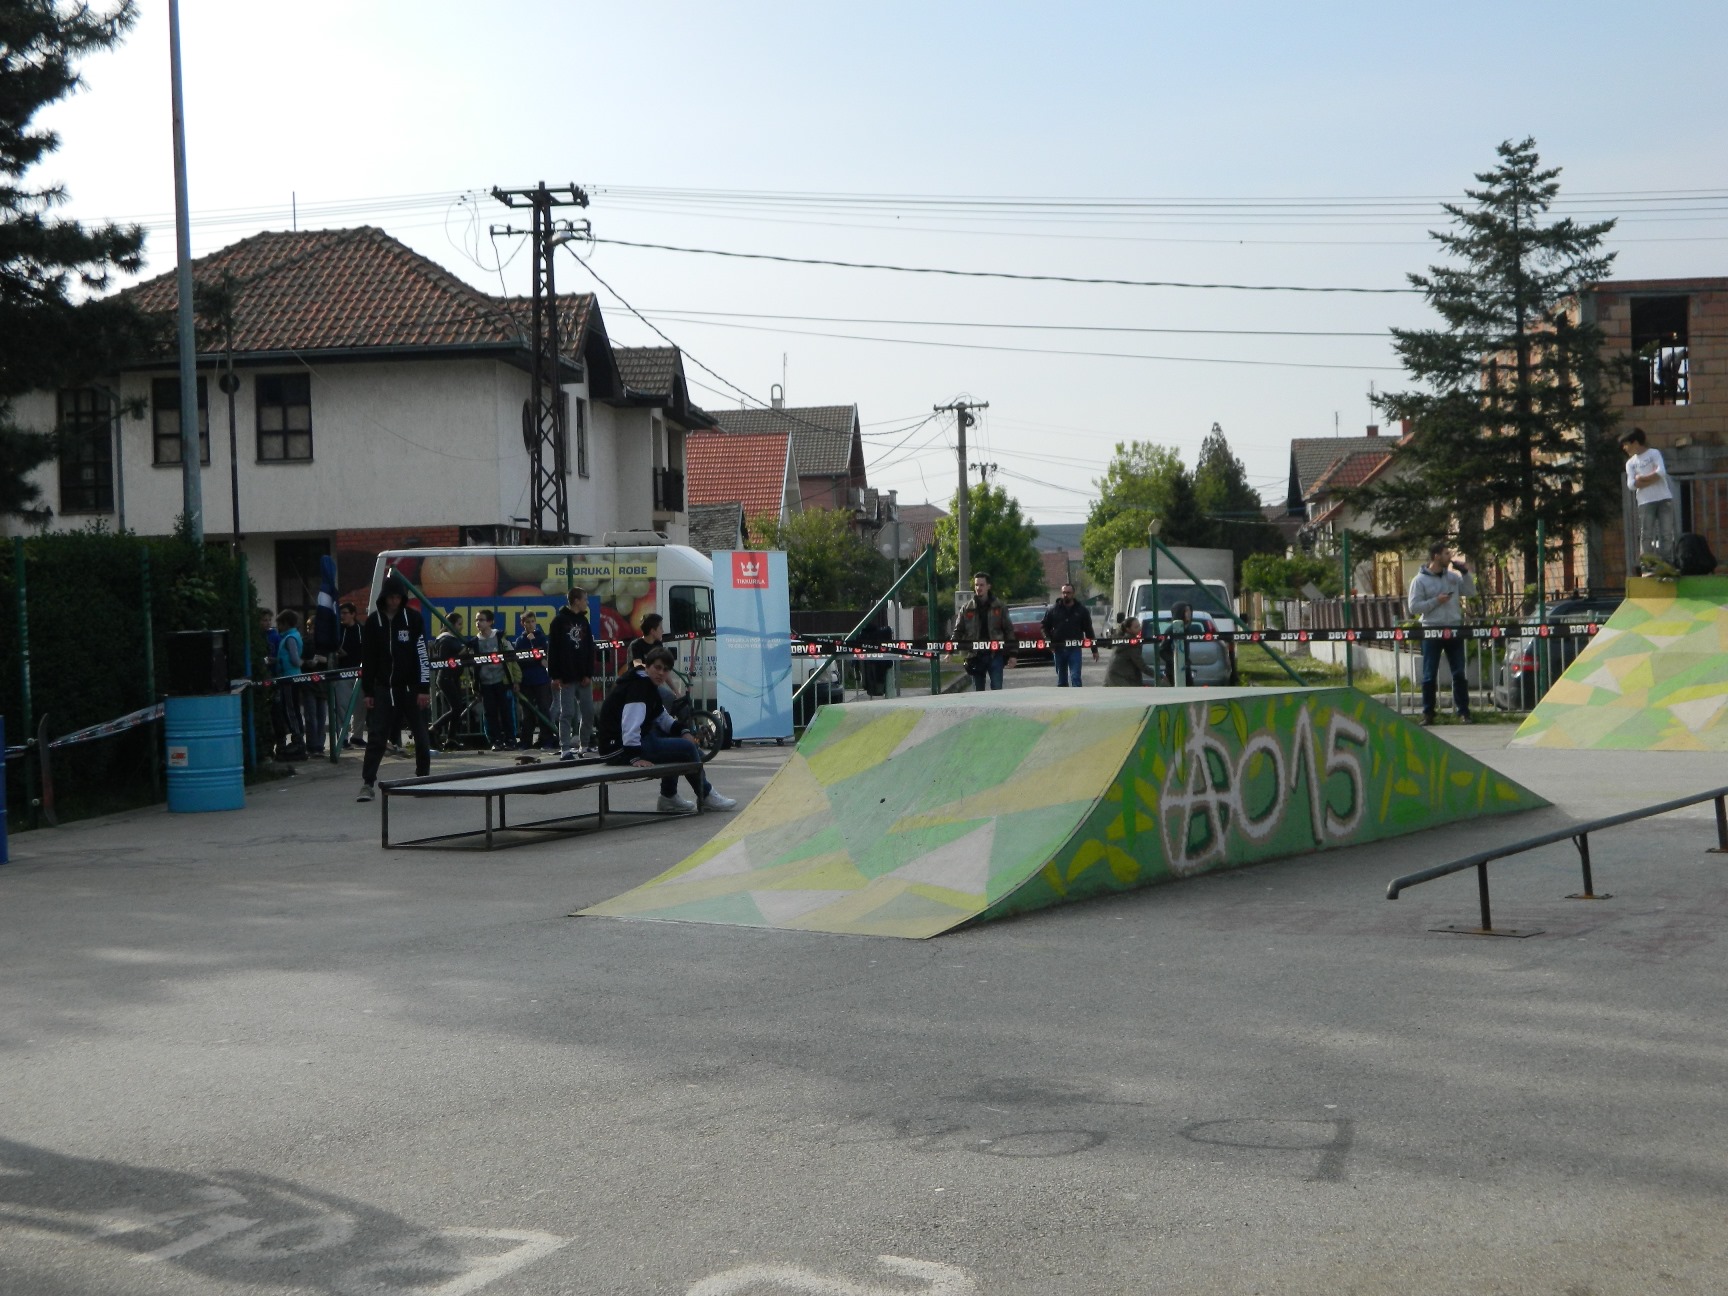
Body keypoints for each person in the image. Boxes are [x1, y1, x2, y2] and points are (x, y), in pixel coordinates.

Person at [597, 647, 735, 813]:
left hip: (629, 743)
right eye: (657, 667)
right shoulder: (638, 687)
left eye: (666, 670)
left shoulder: (647, 685)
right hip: (618, 748)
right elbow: (630, 723)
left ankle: (669, 798)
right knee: (687, 749)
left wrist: (684, 732)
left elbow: (662, 718)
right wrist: (634, 756)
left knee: (681, 743)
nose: (661, 673)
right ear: (647, 667)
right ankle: (704, 795)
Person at [356, 573, 431, 801]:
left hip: (410, 688)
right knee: (377, 736)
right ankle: (368, 783)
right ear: (384, 597)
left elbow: (421, 654)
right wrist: (368, 691)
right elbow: (367, 659)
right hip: (383, 688)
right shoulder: (373, 622)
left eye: (398, 597)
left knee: (420, 734)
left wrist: (423, 688)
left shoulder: (414, 619)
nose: (394, 602)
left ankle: (423, 779)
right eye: (390, 597)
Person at [1406, 541, 1475, 726]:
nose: (1450, 557)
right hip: (1432, 629)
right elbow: (1413, 607)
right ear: (1436, 556)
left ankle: (1464, 712)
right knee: (1429, 673)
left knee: (1459, 671)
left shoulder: (1452, 577)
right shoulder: (1419, 580)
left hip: (1453, 628)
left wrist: (1466, 573)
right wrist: (1436, 601)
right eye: (1446, 554)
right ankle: (1428, 713)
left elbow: (1470, 592)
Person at [549, 586, 598, 761]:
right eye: (585, 599)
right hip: (566, 676)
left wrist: (589, 673)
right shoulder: (558, 622)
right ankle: (565, 748)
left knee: (588, 711)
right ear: (576, 600)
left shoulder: (585, 622)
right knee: (567, 712)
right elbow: (553, 650)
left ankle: (584, 745)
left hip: (583, 675)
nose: (587, 602)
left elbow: (589, 649)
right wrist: (556, 675)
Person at [1620, 428, 1678, 573]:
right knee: (1646, 534)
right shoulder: (1631, 463)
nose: (1624, 448)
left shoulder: (1654, 453)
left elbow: (1661, 472)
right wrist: (1649, 479)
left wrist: (1642, 479)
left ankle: (1667, 564)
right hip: (1645, 501)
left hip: (1664, 498)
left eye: (1626, 444)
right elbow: (1631, 485)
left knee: (1666, 533)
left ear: (1635, 442)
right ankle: (1648, 566)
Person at [954, 572, 1015, 691]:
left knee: (997, 689)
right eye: (976, 585)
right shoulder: (967, 608)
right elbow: (958, 630)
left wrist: (1013, 654)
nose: (978, 588)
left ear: (988, 586)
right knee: (978, 692)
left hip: (995, 654)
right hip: (975, 655)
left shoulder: (999, 607)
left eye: (982, 585)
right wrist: (950, 650)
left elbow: (1009, 630)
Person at [472, 609, 516, 751]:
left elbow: (511, 659)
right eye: (476, 620)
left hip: (501, 681)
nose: (478, 623)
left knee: (506, 711)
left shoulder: (500, 637)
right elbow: (473, 665)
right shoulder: (475, 642)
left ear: (490, 622)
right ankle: (496, 740)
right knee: (490, 713)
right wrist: (475, 685)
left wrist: (514, 680)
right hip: (485, 683)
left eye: (482, 620)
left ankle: (510, 739)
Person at [1042, 582, 1098, 687]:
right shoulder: (1053, 610)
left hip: (1075, 648)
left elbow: (1089, 630)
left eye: (1068, 592)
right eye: (1064, 592)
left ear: (1073, 593)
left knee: (1075, 676)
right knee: (1062, 679)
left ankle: (1078, 699)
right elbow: (1044, 627)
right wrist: (1048, 641)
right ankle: (1064, 701)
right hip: (1058, 648)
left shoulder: (1081, 610)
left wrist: (1094, 650)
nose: (1066, 595)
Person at [514, 609, 556, 751]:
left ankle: (547, 740)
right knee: (527, 713)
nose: (531, 625)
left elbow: (542, 656)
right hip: (526, 680)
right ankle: (526, 741)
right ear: (522, 624)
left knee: (544, 709)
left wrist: (534, 647)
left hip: (541, 680)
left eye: (533, 621)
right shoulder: (519, 641)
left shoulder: (540, 637)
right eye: (527, 622)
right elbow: (519, 662)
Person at [330, 601, 366, 749]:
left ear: (353, 614)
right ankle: (343, 738)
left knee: (360, 707)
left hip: (359, 672)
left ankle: (356, 736)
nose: (342, 616)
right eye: (341, 613)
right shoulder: (338, 631)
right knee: (342, 706)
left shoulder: (361, 630)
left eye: (345, 613)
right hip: (343, 672)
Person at [272, 610, 307, 760]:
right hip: (290, 677)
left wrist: (278, 662)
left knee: (290, 709)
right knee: (291, 708)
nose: (278, 627)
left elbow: (294, 659)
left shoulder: (289, 638)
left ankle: (297, 739)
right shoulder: (292, 636)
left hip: (289, 678)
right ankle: (297, 738)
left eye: (279, 624)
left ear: (286, 623)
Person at [1104, 617, 1154, 687]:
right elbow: (1140, 664)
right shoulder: (1130, 643)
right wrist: (1158, 675)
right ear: (1128, 629)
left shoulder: (1125, 640)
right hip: (1119, 678)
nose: (1139, 628)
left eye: (1139, 625)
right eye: (1136, 627)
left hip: (1117, 675)